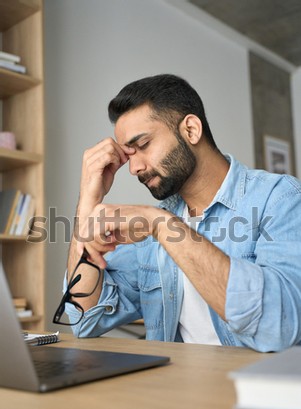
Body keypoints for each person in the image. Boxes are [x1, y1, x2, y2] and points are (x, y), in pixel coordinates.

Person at [61, 74, 301, 352]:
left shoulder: (280, 198)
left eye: (144, 146)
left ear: (191, 130)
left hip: (255, 389)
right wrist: (89, 201)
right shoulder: (154, 225)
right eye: (129, 153)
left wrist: (164, 226)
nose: (134, 168)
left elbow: (280, 327)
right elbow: (84, 319)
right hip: (175, 390)